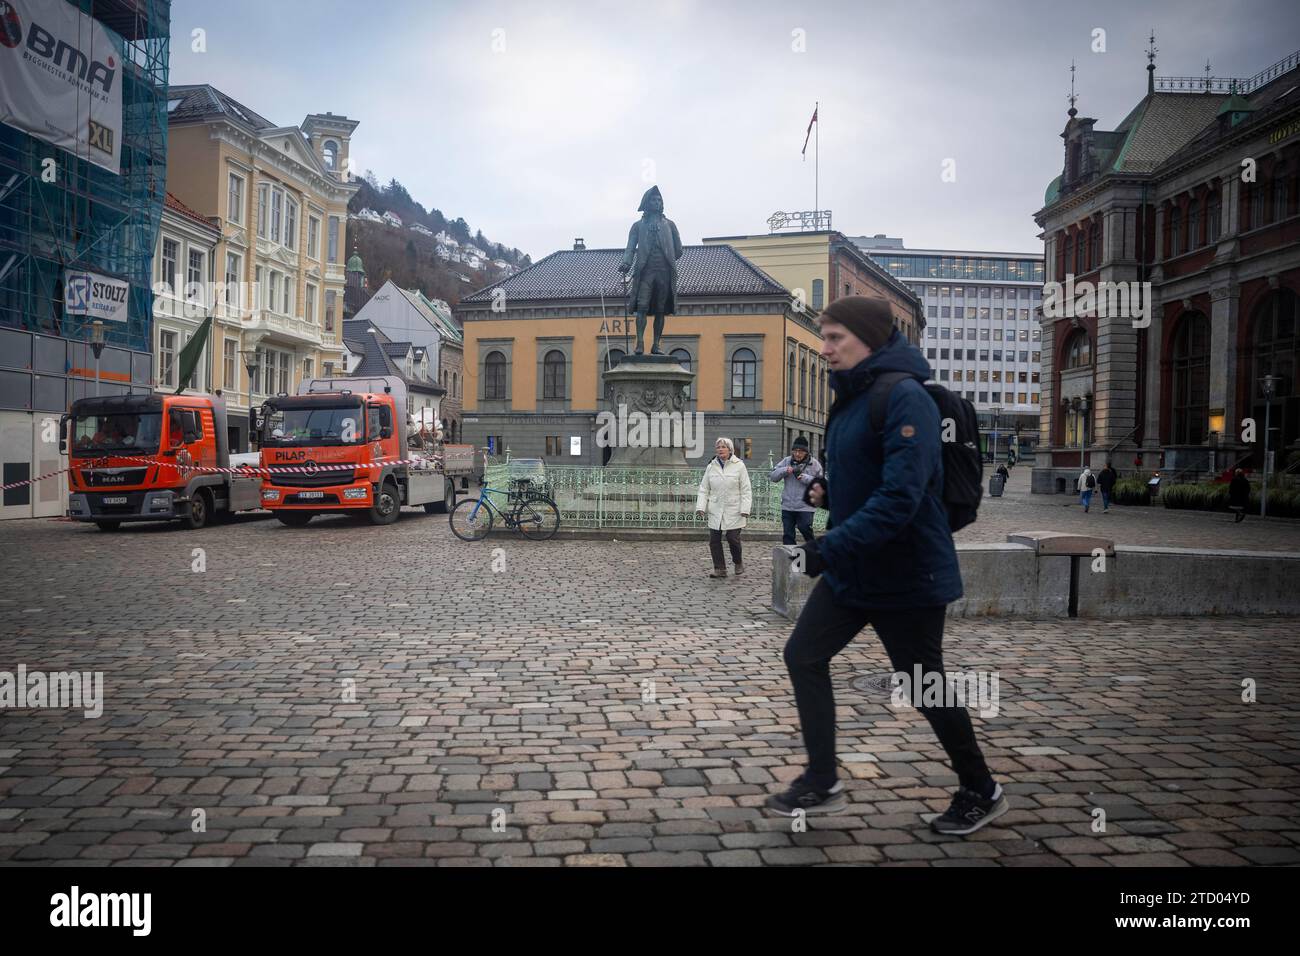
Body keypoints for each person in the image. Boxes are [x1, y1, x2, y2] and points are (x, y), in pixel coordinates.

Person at [767, 295, 1005, 836]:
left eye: (834, 338)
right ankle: (822, 778)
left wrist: (826, 548)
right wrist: (831, 492)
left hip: (907, 573)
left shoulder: (904, 398)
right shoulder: (852, 397)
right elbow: (869, 476)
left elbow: (902, 497)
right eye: (823, 336)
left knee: (923, 684)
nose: (824, 348)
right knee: (803, 655)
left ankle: (981, 788)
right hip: (857, 570)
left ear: (868, 340)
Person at [695, 437, 752, 578]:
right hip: (716, 507)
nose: (720, 449)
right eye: (718, 447)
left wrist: (745, 509)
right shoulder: (711, 466)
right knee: (714, 540)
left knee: (733, 538)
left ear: (730, 449)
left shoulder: (739, 465)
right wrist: (701, 507)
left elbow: (746, 489)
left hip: (734, 508)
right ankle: (720, 568)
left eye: (723, 447)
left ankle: (738, 562)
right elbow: (704, 489)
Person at [769, 436, 823, 546]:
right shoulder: (786, 461)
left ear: (806, 452)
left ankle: (816, 551)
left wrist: (805, 478)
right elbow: (773, 477)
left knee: (805, 528)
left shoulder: (814, 464)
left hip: (806, 506)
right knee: (788, 535)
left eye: (801, 451)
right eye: (795, 451)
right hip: (788, 505)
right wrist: (785, 470)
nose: (797, 454)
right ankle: (790, 559)